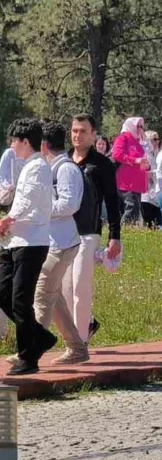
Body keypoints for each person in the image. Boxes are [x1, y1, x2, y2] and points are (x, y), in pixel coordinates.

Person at [0, 119, 55, 375]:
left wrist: (8, 218)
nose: (11, 145)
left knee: (21, 301)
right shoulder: (27, 166)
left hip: (32, 242)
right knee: (4, 293)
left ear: (25, 142)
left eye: (14, 140)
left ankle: (28, 358)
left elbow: (27, 201)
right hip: (16, 240)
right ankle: (40, 337)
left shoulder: (37, 168)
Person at [30, 121, 85, 365]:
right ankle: (77, 349)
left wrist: (41, 210)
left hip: (62, 244)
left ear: (43, 145)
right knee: (54, 297)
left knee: (42, 293)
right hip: (56, 242)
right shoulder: (54, 167)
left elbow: (70, 204)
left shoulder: (65, 170)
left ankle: (30, 351)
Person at [66, 114, 122, 348]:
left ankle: (78, 344)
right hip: (62, 233)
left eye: (82, 131)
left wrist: (115, 237)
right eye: (74, 130)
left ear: (93, 135)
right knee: (65, 290)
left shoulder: (102, 164)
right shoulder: (64, 160)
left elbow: (112, 202)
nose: (77, 135)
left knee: (80, 285)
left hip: (89, 232)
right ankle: (86, 324)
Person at [111, 117, 149, 225]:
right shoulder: (123, 138)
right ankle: (121, 231)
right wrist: (135, 160)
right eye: (138, 126)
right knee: (131, 208)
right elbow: (117, 154)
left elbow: (143, 158)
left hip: (136, 182)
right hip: (126, 182)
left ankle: (128, 231)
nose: (140, 129)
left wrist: (146, 165)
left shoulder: (138, 141)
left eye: (141, 126)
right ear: (130, 125)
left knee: (135, 210)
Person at [139, 131, 161, 228]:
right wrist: (156, 173)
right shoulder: (144, 155)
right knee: (149, 225)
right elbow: (142, 174)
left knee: (158, 225)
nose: (157, 142)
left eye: (158, 139)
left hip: (156, 195)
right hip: (146, 196)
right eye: (154, 139)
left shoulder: (158, 154)